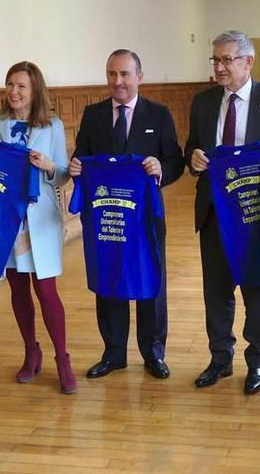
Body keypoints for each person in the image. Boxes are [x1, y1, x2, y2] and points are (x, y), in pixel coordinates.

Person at [0, 61, 76, 394]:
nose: (14, 91)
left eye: (21, 86)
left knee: (47, 292)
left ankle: (62, 360)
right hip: (7, 221)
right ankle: (30, 351)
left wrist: (49, 166)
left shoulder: (52, 126)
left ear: (35, 90)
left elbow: (64, 175)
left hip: (41, 219)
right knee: (18, 289)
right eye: (10, 84)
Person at [185, 30, 260, 395]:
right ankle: (220, 359)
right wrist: (195, 160)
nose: (219, 67)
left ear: (248, 61)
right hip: (215, 209)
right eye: (215, 59)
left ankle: (258, 360)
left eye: (227, 59)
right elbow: (190, 150)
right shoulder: (202, 102)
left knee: (257, 287)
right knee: (216, 288)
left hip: (256, 211)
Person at [69, 49, 185, 380]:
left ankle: (153, 353)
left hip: (146, 217)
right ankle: (113, 353)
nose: (117, 81)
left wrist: (161, 168)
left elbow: (175, 161)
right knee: (109, 279)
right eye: (111, 74)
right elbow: (82, 157)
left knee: (151, 282)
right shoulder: (93, 115)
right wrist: (77, 166)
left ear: (139, 77)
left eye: (124, 74)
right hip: (107, 219)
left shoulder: (158, 114)